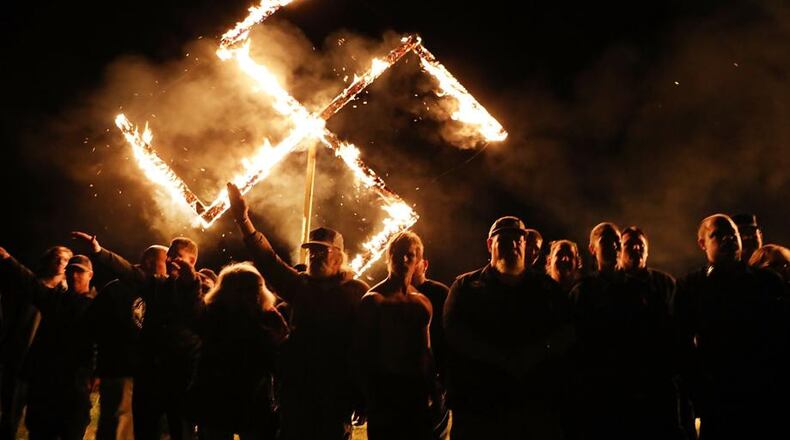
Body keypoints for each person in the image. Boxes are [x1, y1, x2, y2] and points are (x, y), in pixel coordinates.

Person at [226, 182, 368, 440]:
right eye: (311, 250)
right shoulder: (300, 286)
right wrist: (243, 220)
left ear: (339, 256)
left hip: (335, 393)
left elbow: (365, 345)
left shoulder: (356, 291)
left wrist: (362, 393)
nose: (313, 256)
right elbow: (268, 260)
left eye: (321, 250)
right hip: (297, 390)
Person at [443, 216, 573, 440]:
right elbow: (455, 333)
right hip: (481, 410)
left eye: (518, 240)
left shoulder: (547, 289)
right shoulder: (465, 287)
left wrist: (533, 355)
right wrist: (500, 358)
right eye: (504, 240)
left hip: (533, 409)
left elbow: (566, 332)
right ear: (489, 244)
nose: (512, 245)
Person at [71, 232, 204, 440]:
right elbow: (129, 272)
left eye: (175, 256)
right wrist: (99, 251)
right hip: (149, 377)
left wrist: (191, 282)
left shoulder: (202, 289)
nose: (169, 260)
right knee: (144, 430)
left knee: (181, 432)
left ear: (192, 261)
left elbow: (195, 317)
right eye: (168, 255)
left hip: (181, 379)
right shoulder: (157, 284)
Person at [675, 214, 787, 439]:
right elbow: (679, 345)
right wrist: (700, 393)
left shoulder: (767, 283)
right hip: (719, 403)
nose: (728, 239)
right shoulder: (691, 287)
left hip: (765, 399)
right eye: (718, 234)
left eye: (732, 234)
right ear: (702, 243)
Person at [569, 223, 684, 440]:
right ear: (592, 248)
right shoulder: (583, 292)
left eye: (616, 242)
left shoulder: (644, 289)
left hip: (644, 392)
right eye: (606, 241)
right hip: (602, 395)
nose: (614, 247)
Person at [0, 248, 95, 440]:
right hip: (44, 385)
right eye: (71, 271)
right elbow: (29, 282)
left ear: (90, 275)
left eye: (80, 271)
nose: (74, 275)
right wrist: (7, 258)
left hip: (73, 388)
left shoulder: (97, 307)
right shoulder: (54, 300)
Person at [191, 262, 288, 440]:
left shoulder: (267, 316)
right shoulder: (215, 315)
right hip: (225, 395)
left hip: (244, 397)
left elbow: (279, 355)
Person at [355, 232, 435, 440]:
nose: (403, 260)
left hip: (415, 394)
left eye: (409, 255)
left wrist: (433, 390)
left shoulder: (423, 302)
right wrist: (366, 397)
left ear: (418, 261)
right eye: (398, 254)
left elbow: (426, 351)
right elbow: (363, 354)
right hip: (385, 394)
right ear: (388, 257)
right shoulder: (374, 300)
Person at [85, 244, 167, 440]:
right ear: (149, 262)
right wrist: (98, 363)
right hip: (120, 369)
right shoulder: (117, 288)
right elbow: (93, 325)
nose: (170, 266)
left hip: (147, 373)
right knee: (117, 425)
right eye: (166, 261)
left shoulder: (159, 290)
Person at [411, 251, 450, 440]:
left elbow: (448, 338)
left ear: (424, 265)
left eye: (413, 260)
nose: (407, 264)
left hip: (433, 383)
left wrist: (441, 380)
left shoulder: (440, 293)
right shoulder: (394, 294)